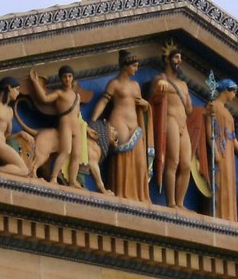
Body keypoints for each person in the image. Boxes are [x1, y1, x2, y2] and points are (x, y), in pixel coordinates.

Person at [90, 50, 150, 203]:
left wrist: (146, 104)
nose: (136, 69)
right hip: (119, 122)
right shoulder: (114, 83)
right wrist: (92, 121)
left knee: (139, 162)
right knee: (123, 159)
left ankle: (137, 196)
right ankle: (121, 193)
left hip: (135, 125)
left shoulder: (136, 85)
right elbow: (103, 102)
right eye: (134, 66)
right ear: (125, 66)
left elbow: (140, 104)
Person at [150, 42, 194, 208]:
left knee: (186, 164)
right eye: (176, 57)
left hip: (183, 124)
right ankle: (171, 202)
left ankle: (181, 203)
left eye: (180, 58)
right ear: (167, 59)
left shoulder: (183, 85)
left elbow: (189, 110)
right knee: (173, 161)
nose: (179, 61)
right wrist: (159, 92)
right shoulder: (160, 79)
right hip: (170, 120)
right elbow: (153, 100)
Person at [28, 66, 83, 185]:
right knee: (65, 151)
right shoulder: (59, 93)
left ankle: (72, 181)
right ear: (61, 78)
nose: (67, 79)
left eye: (69, 76)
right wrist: (35, 83)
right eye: (64, 76)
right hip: (65, 124)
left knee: (76, 155)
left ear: (73, 78)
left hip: (76, 126)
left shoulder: (76, 96)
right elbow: (44, 98)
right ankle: (53, 178)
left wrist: (87, 129)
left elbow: (79, 115)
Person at [207, 79, 238, 222]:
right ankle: (219, 215)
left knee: (229, 184)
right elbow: (209, 129)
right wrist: (214, 150)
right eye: (233, 91)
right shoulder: (213, 106)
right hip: (220, 150)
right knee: (220, 182)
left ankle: (229, 216)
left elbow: (232, 136)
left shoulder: (228, 113)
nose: (234, 95)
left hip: (229, 153)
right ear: (226, 90)